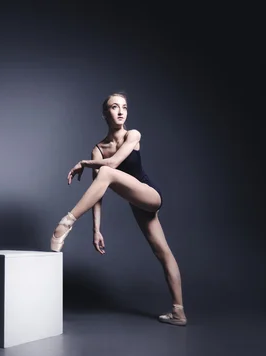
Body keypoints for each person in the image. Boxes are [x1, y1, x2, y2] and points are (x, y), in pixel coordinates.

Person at [49, 92, 187, 326]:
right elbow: (97, 194)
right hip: (136, 203)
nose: (121, 111)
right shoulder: (99, 149)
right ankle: (178, 312)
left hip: (149, 194)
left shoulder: (133, 135)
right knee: (163, 253)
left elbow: (112, 166)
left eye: (124, 107)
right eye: (114, 107)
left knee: (107, 172)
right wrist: (96, 230)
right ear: (106, 114)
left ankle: (66, 222)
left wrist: (84, 163)